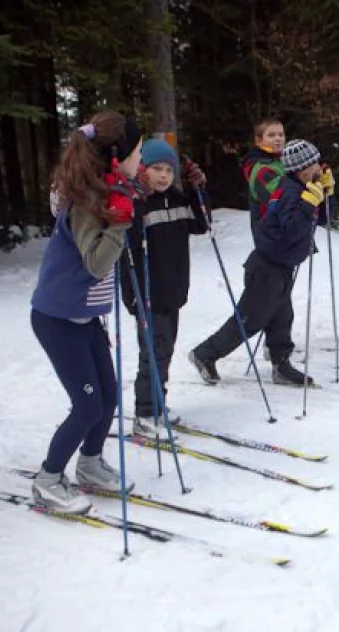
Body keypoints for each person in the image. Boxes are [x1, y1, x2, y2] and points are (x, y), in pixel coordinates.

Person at [29, 111, 143, 513]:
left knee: (109, 395)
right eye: (138, 152)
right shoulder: (85, 201)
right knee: (87, 405)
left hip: (84, 318)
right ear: (117, 156)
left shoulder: (108, 190)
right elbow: (96, 263)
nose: (140, 161)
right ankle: (47, 479)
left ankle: (91, 464)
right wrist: (119, 224)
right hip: (57, 320)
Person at [189, 139, 332, 387]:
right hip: (266, 268)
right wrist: (310, 203)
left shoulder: (304, 187)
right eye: (314, 165)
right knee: (249, 320)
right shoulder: (289, 192)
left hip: (283, 266)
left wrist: (326, 195)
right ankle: (205, 354)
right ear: (300, 168)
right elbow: (292, 230)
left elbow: (321, 220)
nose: (319, 168)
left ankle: (281, 364)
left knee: (282, 317)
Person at [120, 139, 210, 438]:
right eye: (156, 169)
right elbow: (127, 246)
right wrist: (136, 198)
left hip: (173, 291)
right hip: (146, 293)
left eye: (168, 170)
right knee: (153, 354)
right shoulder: (136, 202)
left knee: (165, 351)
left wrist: (198, 192)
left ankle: (158, 403)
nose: (163, 175)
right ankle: (144, 413)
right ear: (143, 169)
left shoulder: (179, 199)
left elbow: (202, 224)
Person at [243, 118, 287, 243]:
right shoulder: (261, 168)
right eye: (271, 135)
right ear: (259, 141)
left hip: (284, 229)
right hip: (271, 234)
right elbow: (283, 196)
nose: (278, 138)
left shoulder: (281, 161)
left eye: (281, 134)